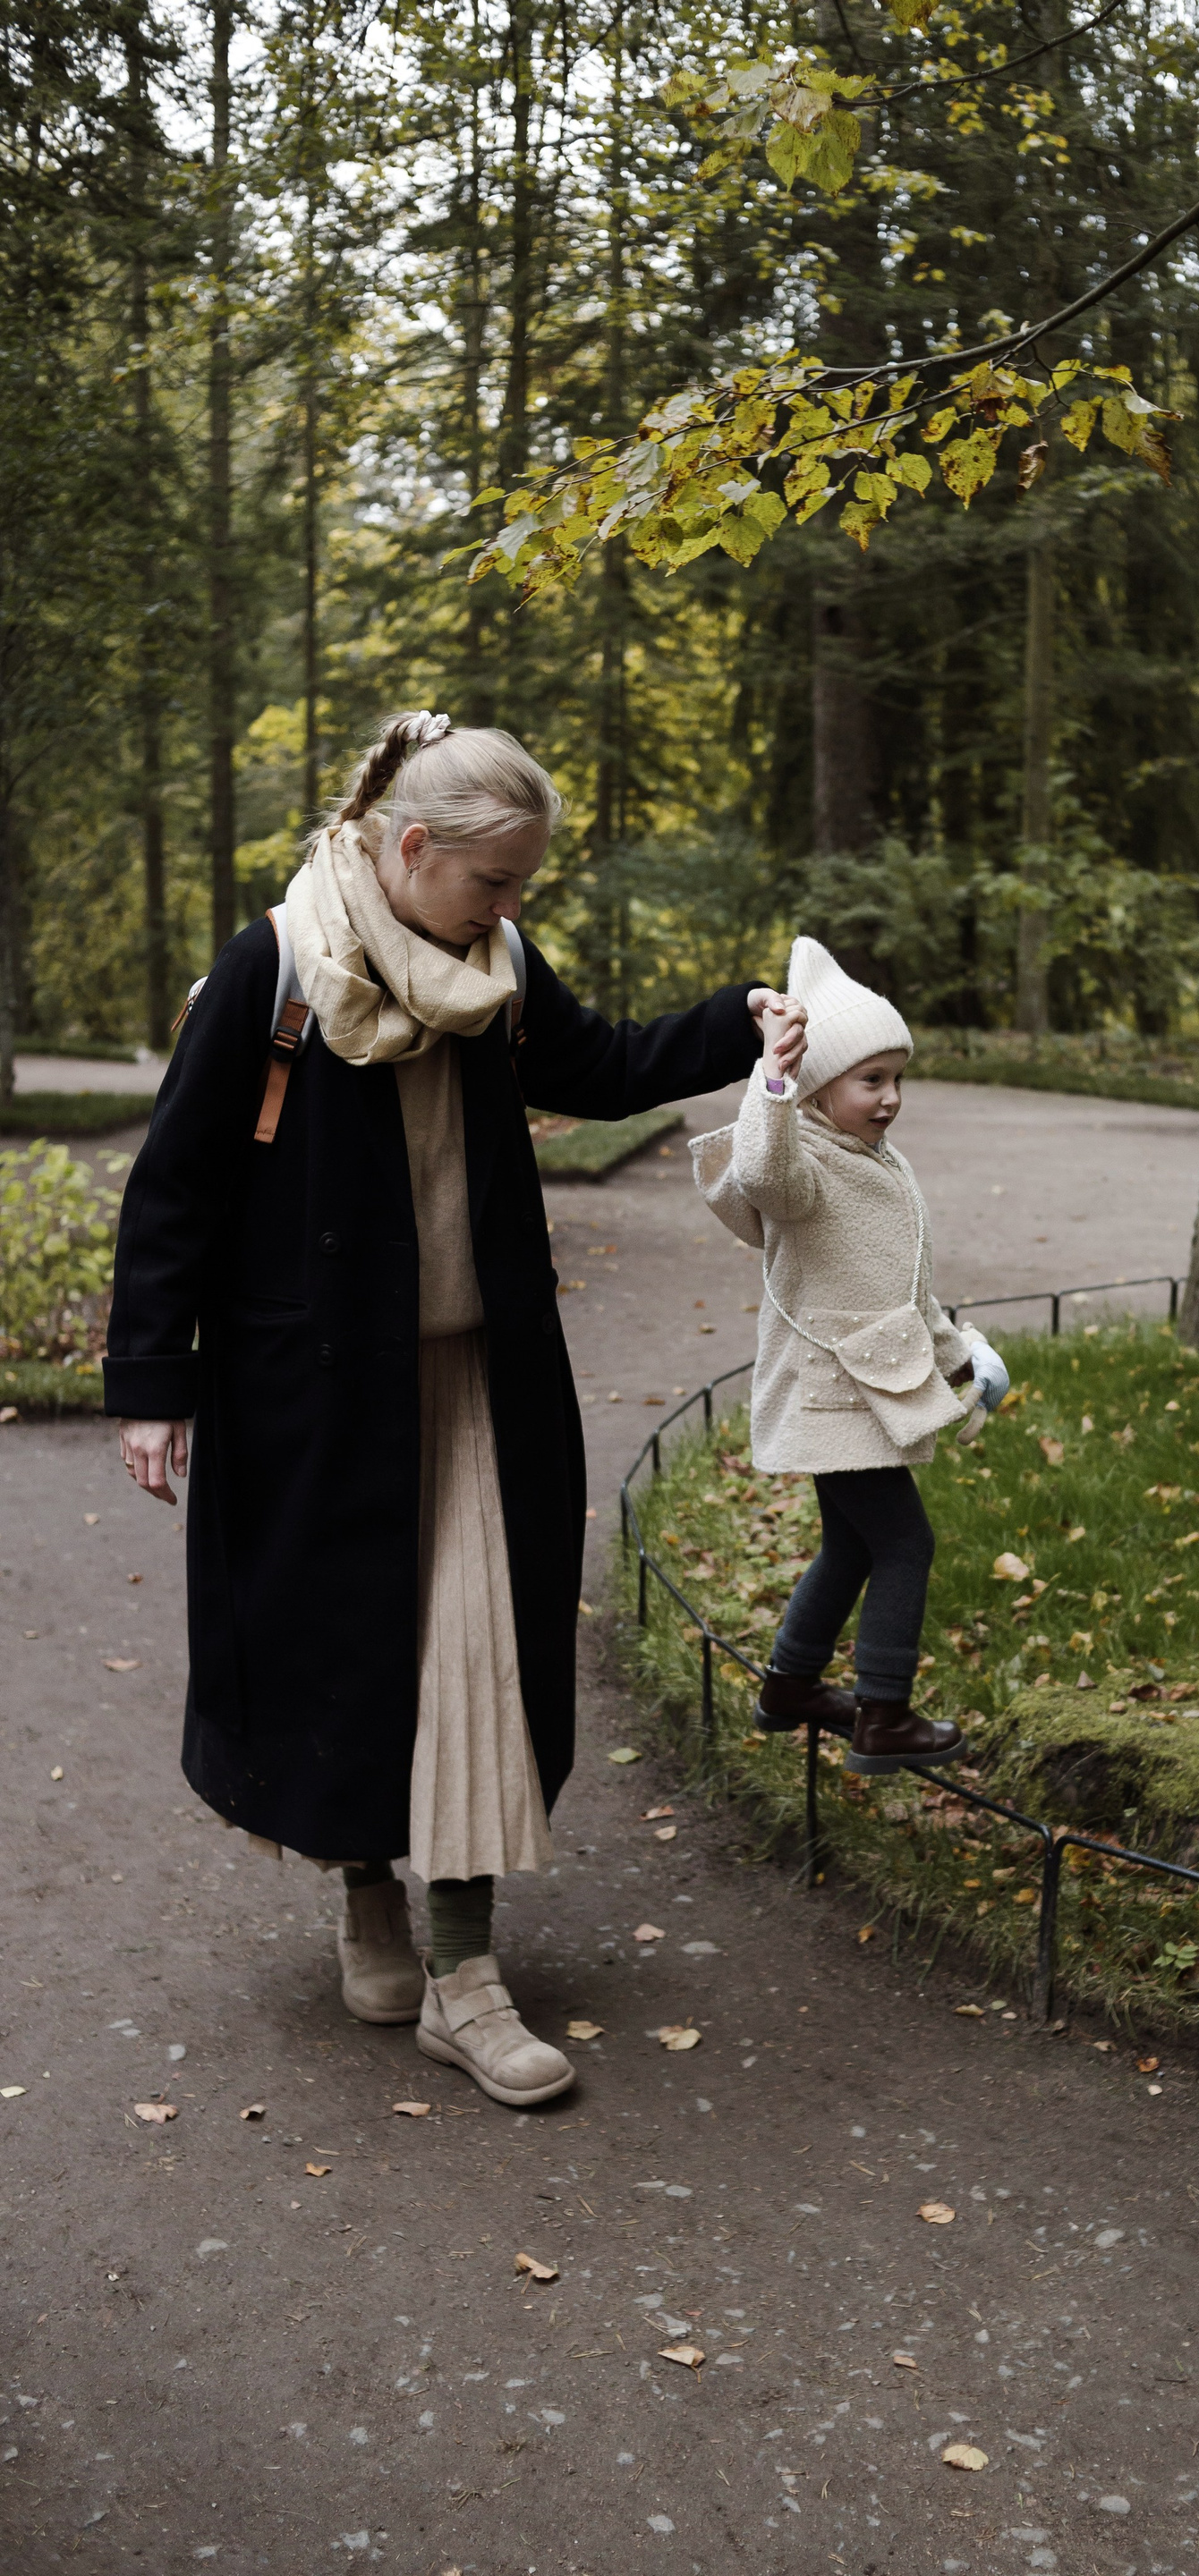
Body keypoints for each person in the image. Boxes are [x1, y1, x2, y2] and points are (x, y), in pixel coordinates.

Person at [104, 709, 805, 2106]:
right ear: (413, 847)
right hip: (316, 1391)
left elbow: (602, 1067)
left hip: (479, 1379)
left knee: (479, 1657)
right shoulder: (276, 969)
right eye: (495, 880)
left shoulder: (501, 969)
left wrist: (741, 1018)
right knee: (343, 1655)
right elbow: (176, 1186)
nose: (511, 906)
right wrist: (151, 1385)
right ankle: (367, 1894)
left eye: (522, 884)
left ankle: (464, 1975)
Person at [691, 937, 1009, 1772]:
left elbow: (902, 1290)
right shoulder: (803, 1170)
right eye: (872, 1080)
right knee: (906, 1545)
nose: (891, 1097)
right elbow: (761, 1169)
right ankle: (884, 1715)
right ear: (817, 1087)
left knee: (852, 1546)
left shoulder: (877, 1162)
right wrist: (773, 1078)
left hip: (867, 1389)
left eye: (898, 1078)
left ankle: (790, 1686)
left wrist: (961, 1362)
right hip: (835, 1395)